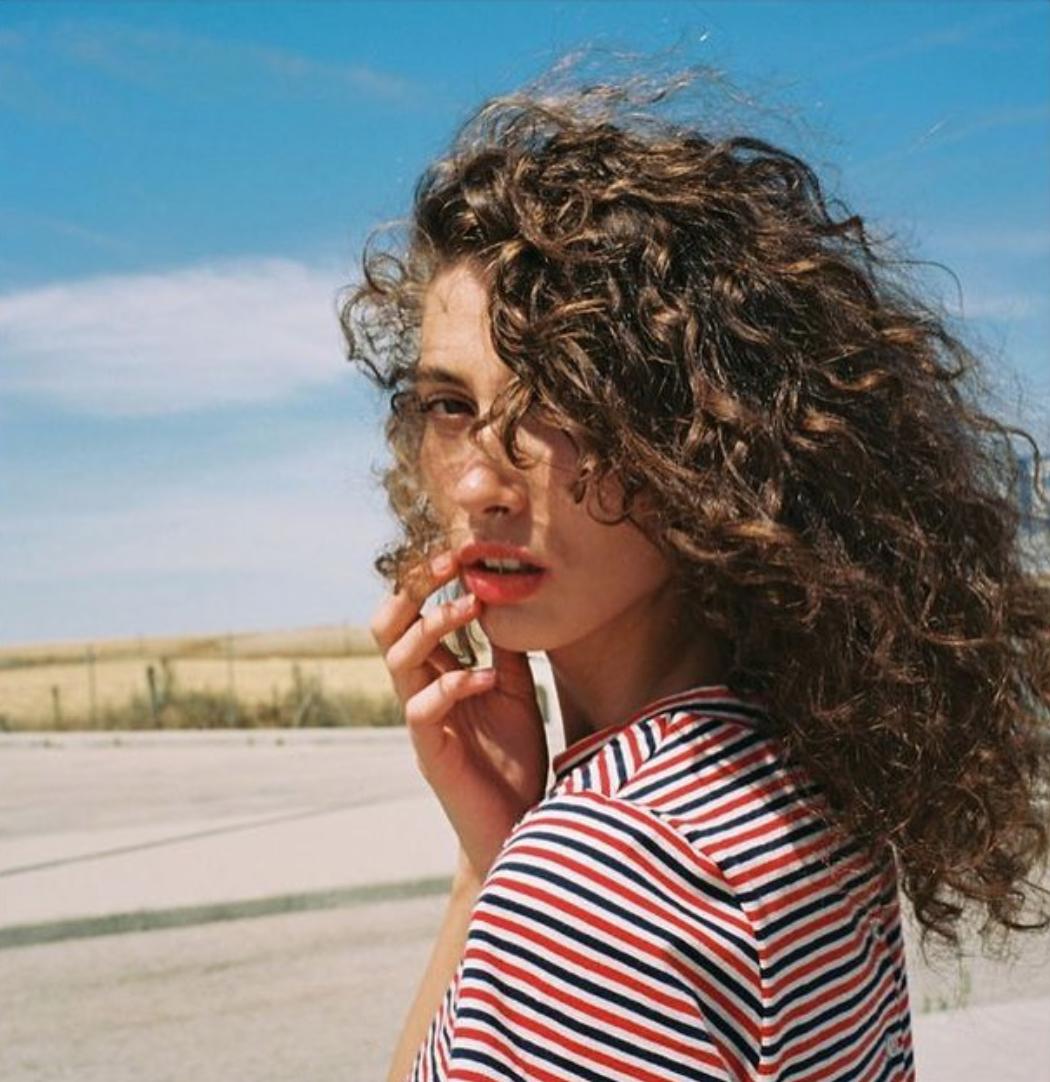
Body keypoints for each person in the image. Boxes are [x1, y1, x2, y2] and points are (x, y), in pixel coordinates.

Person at [341, 66, 1050, 1082]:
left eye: (562, 401)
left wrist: (520, 874)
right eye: (450, 405)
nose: (481, 480)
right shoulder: (795, 779)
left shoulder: (606, 877)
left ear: (704, 438)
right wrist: (490, 858)